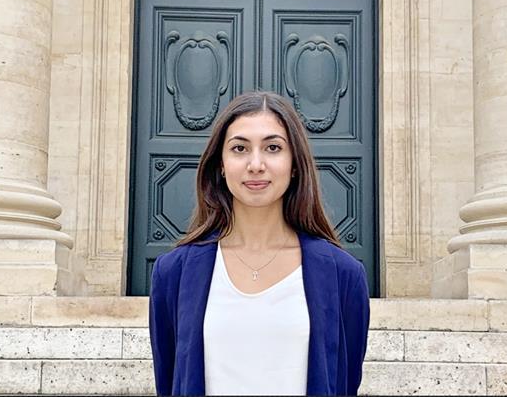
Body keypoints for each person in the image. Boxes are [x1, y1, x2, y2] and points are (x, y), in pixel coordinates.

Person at [149, 90, 370, 396]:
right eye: (239, 148)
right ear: (221, 164)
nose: (256, 164)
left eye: (273, 147)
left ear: (294, 164)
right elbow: (170, 379)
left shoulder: (343, 275)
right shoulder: (173, 273)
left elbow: (344, 382)